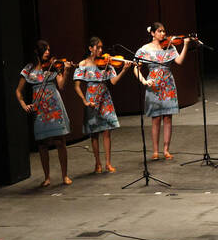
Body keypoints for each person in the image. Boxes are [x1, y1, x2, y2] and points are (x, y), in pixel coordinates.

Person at [15, 40, 73, 187]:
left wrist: (65, 71)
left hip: (54, 106)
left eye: (48, 49)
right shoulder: (28, 69)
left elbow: (60, 85)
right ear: (37, 52)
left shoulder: (54, 66)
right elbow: (18, 91)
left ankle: (64, 175)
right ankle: (47, 177)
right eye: (45, 49)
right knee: (42, 144)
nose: (48, 52)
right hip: (40, 109)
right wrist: (23, 105)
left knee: (60, 141)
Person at [73, 36, 131, 174]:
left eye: (101, 47)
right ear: (90, 48)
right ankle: (97, 163)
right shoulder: (83, 64)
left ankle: (108, 163)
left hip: (105, 97)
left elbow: (114, 81)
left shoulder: (106, 63)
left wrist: (124, 70)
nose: (100, 50)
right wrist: (84, 101)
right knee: (94, 133)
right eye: (97, 47)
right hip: (92, 97)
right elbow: (77, 86)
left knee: (107, 131)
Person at [134, 22, 191, 160]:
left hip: (168, 84)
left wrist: (185, 45)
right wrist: (143, 81)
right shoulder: (145, 49)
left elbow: (179, 61)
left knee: (168, 117)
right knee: (156, 118)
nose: (163, 34)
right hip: (153, 85)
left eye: (164, 31)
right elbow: (136, 67)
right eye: (159, 31)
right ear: (152, 33)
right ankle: (155, 151)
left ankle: (166, 149)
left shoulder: (169, 47)